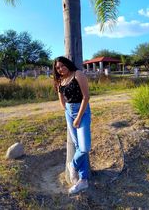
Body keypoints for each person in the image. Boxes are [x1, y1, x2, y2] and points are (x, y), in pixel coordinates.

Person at [53, 56, 91, 194]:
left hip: (82, 111)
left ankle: (72, 164)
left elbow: (86, 97)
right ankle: (83, 180)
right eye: (58, 68)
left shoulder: (78, 74)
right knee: (77, 146)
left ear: (68, 64)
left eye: (62, 65)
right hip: (69, 113)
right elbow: (62, 100)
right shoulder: (60, 81)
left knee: (85, 147)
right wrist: (68, 112)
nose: (61, 69)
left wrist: (78, 117)